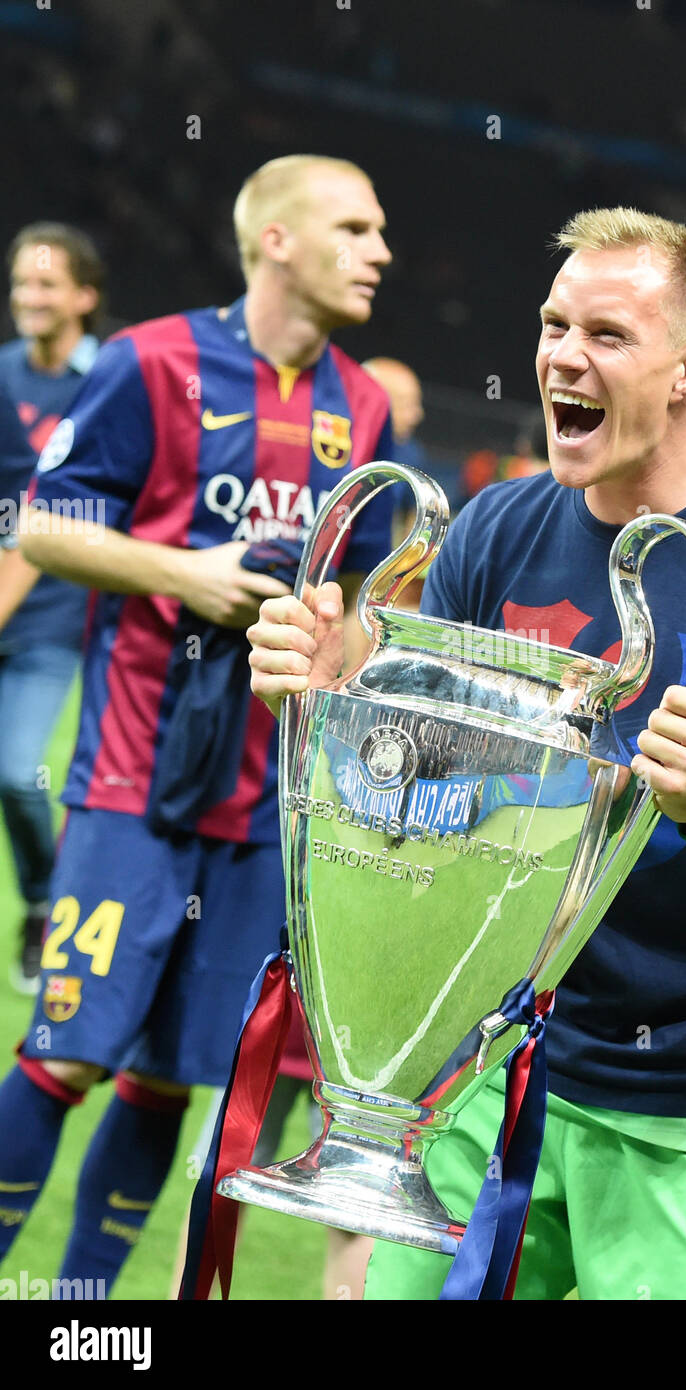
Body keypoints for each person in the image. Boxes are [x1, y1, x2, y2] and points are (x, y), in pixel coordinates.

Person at [247, 206, 686, 1301]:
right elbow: (425, 806)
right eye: (554, 324)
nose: (561, 354)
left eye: (606, 335)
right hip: (480, 1076)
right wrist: (344, 701)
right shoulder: (497, 529)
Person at [0, 154, 395, 1296]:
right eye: (356, 227)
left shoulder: (361, 404)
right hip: (134, 783)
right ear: (276, 239)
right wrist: (188, 573)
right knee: (68, 1050)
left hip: (268, 806)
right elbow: (46, 526)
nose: (381, 250)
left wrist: (348, 630)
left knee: (177, 1079)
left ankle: (83, 1318)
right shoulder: (152, 360)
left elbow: (370, 598)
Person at [0, 223, 104, 993]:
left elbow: (47, 523)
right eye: (20, 284)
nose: (28, 297)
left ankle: (41, 903)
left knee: (19, 773)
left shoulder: (108, 384)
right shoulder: (3, 374)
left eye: (45, 284)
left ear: (83, 297)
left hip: (54, 619)